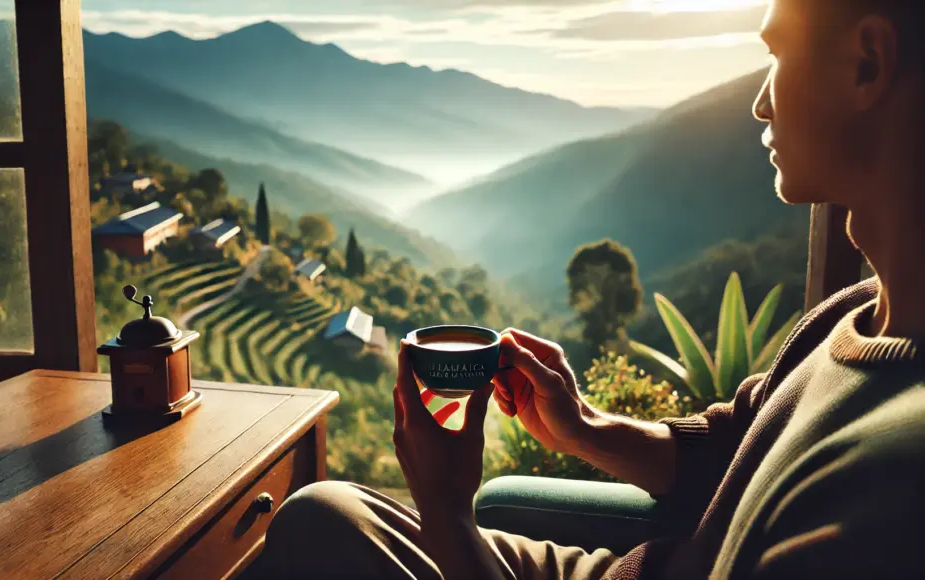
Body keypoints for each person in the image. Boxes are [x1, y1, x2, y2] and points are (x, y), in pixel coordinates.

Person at [252, 0, 925, 578]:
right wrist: (584, 430)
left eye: (775, 55)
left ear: (866, 64)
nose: (758, 100)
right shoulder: (846, 319)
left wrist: (447, 512)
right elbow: (732, 454)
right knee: (323, 515)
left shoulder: (888, 483)